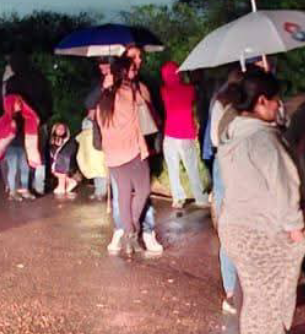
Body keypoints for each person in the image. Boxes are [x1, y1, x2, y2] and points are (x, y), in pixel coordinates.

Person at [215, 68, 305, 334]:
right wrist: (296, 228)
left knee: (255, 298)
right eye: (274, 99)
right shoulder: (264, 139)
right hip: (263, 230)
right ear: (261, 101)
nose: (279, 105)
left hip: (235, 228)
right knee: (271, 301)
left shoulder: (230, 133)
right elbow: (285, 188)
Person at [94, 55, 156, 255]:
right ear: (123, 73)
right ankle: (133, 231)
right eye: (131, 69)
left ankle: (129, 234)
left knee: (123, 194)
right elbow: (145, 107)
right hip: (132, 151)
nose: (135, 72)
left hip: (113, 155)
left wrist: (105, 87)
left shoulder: (101, 100)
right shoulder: (130, 91)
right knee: (143, 190)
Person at [208, 68, 245, 313]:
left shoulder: (218, 102)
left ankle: (232, 290)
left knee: (227, 229)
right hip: (235, 164)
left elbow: (213, 140)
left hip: (223, 163)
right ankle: (234, 291)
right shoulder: (238, 106)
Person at [158, 61, 205, 208]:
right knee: (192, 167)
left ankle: (178, 198)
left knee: (173, 168)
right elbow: (194, 101)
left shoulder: (163, 91)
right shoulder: (190, 90)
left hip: (170, 134)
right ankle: (201, 198)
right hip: (185, 134)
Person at [0, 91, 43, 200]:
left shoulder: (26, 117)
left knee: (25, 168)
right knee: (13, 169)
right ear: (11, 104)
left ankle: (24, 190)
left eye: (20, 102)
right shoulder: (4, 120)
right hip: (10, 148)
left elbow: (32, 128)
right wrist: (10, 129)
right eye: (16, 102)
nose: (19, 104)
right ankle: (12, 191)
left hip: (23, 147)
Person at [46, 121, 81, 197]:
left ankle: (61, 186)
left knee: (60, 163)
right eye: (59, 128)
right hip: (55, 163)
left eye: (63, 129)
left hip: (66, 164)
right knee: (54, 169)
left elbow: (67, 155)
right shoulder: (51, 140)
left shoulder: (69, 141)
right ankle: (69, 181)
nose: (61, 130)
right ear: (55, 129)